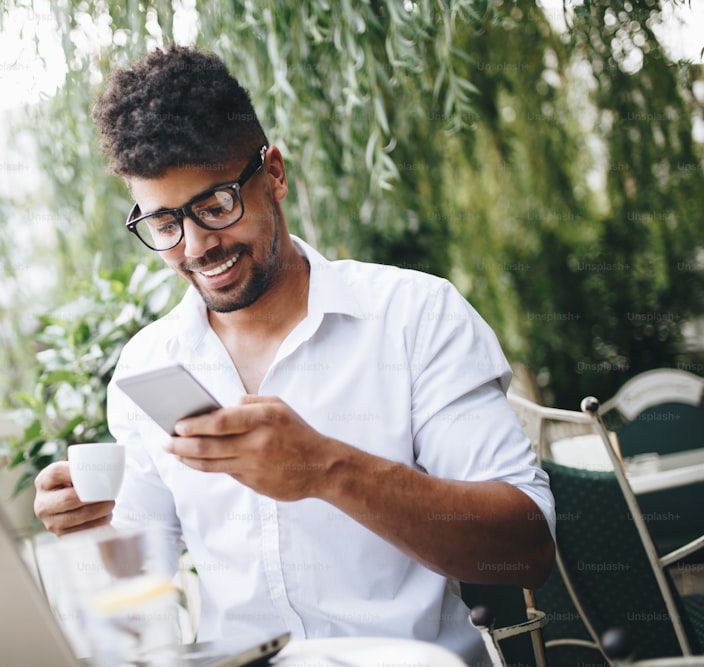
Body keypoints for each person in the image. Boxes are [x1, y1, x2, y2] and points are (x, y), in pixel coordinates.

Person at [34, 45, 555, 664]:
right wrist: (94, 532)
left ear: (273, 175)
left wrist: (328, 469)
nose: (197, 246)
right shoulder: (146, 367)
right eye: (164, 223)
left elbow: (525, 548)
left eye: (216, 205)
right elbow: (140, 591)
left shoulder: (415, 316)